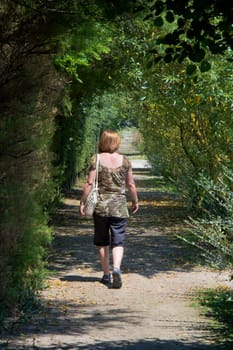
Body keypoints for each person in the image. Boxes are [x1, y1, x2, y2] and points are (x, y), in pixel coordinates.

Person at [79, 130, 139, 288]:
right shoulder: (125, 161)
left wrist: (83, 202)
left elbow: (89, 183)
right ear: (117, 142)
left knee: (102, 241)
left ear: (103, 141)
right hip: (119, 208)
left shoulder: (96, 159)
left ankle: (106, 275)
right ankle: (117, 269)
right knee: (118, 241)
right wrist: (135, 201)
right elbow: (131, 184)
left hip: (101, 208)